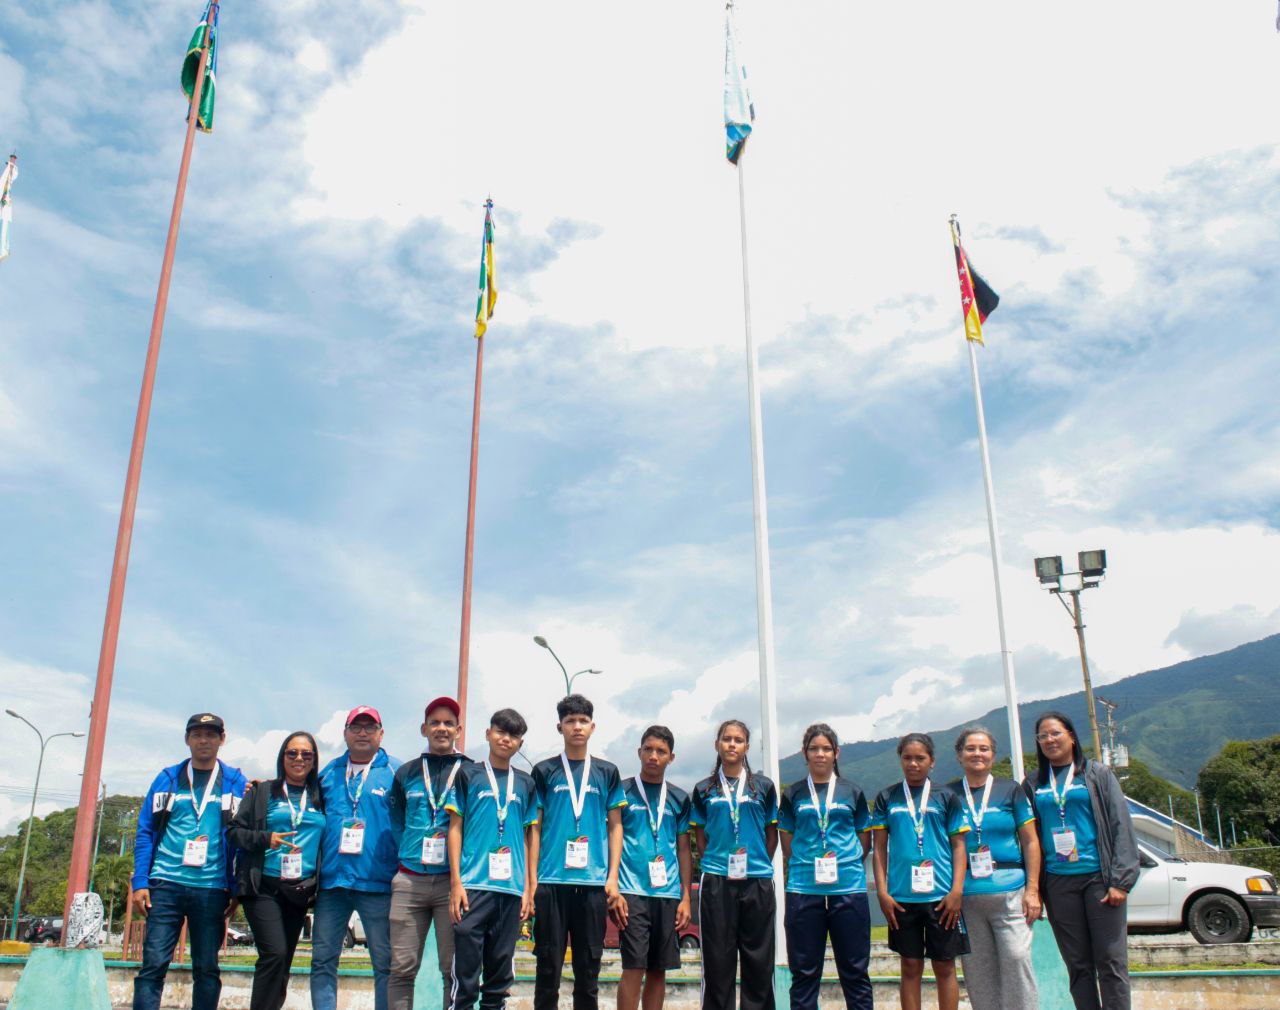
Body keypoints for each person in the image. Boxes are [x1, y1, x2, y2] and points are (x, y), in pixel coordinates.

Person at [131, 713, 247, 1010]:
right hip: (165, 884)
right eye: (197, 734)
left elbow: (243, 837)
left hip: (211, 888)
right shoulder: (167, 778)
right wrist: (140, 882)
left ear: (223, 739)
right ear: (187, 739)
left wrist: (235, 887)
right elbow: (145, 830)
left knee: (207, 969)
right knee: (153, 965)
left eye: (211, 734)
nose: (204, 740)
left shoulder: (235, 782)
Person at [1024, 711, 1139, 1010]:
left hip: (1099, 882)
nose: (1049, 740)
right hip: (1059, 883)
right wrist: (1034, 888)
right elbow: (1028, 837)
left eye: (1055, 733)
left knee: (1111, 963)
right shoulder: (1033, 782)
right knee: (1078, 965)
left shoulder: (1097, 774)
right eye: (1043, 736)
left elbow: (1120, 825)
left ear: (1071, 736)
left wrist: (1120, 881)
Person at [531, 694, 628, 1010]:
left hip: (593, 885)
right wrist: (532, 882)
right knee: (548, 970)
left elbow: (616, 826)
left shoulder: (607, 772)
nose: (577, 727)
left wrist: (612, 877)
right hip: (551, 883)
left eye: (583, 721)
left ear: (592, 726)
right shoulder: (544, 771)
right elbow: (535, 827)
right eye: (570, 721)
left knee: (589, 972)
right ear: (559, 727)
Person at [447, 708, 541, 1010]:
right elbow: (455, 828)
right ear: (488, 734)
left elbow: (530, 837)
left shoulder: (526, 783)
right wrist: (456, 883)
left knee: (500, 976)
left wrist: (528, 888)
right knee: (465, 975)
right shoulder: (468, 774)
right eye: (500, 731)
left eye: (513, 735)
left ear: (520, 743)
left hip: (511, 891)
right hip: (473, 887)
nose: (506, 739)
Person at [312, 706, 402, 1010]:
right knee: (323, 960)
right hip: (333, 883)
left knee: (385, 964)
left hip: (377, 883)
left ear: (381, 733)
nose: (362, 732)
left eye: (369, 726)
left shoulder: (396, 773)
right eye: (356, 727)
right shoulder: (328, 773)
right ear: (345, 733)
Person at [778, 723, 873, 1010]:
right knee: (805, 973)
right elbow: (786, 841)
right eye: (814, 748)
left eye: (826, 748)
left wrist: (844, 863)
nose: (820, 754)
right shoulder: (794, 793)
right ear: (804, 753)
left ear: (836, 753)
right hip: (804, 890)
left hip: (849, 888)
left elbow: (864, 839)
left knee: (855, 971)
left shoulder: (852, 792)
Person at [871, 732, 969, 1010]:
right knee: (910, 966)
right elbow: (879, 848)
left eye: (920, 758)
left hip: (942, 898)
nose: (913, 763)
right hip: (901, 899)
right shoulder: (886, 797)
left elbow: (959, 846)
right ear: (900, 760)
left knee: (944, 965)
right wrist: (882, 891)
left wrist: (956, 891)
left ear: (932, 762)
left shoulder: (947, 796)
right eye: (907, 758)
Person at [945, 727, 1041, 1010]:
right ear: (960, 755)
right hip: (967, 896)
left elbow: (1031, 841)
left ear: (993, 755)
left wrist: (1033, 889)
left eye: (984, 749)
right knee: (978, 971)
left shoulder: (1010, 789)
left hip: (1010, 890)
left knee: (1016, 959)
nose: (977, 754)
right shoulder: (948, 794)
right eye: (971, 748)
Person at [230, 731, 327, 1010]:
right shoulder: (262, 791)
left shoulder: (321, 795)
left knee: (283, 963)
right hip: (264, 886)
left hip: (299, 890)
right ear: (282, 757)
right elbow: (234, 832)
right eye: (292, 753)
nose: (299, 759)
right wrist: (265, 838)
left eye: (306, 754)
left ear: (314, 760)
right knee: (274, 953)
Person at [388, 696, 473, 1010]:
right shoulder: (407, 772)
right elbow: (396, 820)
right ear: (423, 728)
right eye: (435, 722)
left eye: (448, 723)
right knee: (401, 968)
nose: (441, 728)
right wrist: (408, 850)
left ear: (458, 730)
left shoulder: (471, 772)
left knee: (451, 969)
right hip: (409, 882)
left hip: (453, 886)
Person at [689, 719, 779, 1010]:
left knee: (759, 959)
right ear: (717, 744)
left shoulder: (763, 787)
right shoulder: (704, 789)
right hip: (716, 879)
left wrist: (758, 862)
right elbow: (699, 836)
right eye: (726, 739)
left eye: (738, 740)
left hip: (757, 879)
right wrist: (715, 862)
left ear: (747, 747)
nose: (731, 744)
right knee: (717, 960)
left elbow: (771, 833)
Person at [614, 726, 693, 1010]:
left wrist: (685, 897)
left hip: (668, 894)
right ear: (639, 752)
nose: (653, 756)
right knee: (634, 966)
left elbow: (684, 849)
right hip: (631, 891)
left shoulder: (680, 798)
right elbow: (611, 837)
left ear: (671, 757)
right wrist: (613, 887)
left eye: (660, 751)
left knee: (659, 969)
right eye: (648, 749)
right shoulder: (621, 791)